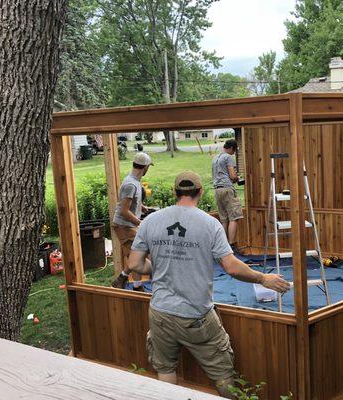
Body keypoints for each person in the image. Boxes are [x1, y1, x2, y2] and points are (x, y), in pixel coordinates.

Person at [127, 171, 290, 398]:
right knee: (223, 374)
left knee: (165, 369)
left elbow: (135, 264)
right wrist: (264, 278)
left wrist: (162, 266)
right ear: (201, 192)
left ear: (175, 193)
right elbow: (231, 267)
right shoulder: (209, 224)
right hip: (196, 315)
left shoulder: (151, 221)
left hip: (160, 312)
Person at [111, 152, 154, 291]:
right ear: (145, 167)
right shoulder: (130, 184)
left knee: (134, 255)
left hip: (128, 225)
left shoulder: (134, 180)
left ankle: (136, 286)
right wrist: (141, 223)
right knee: (138, 256)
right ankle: (122, 279)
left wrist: (142, 207)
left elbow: (129, 202)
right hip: (123, 226)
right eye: (148, 167)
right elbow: (124, 210)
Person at [212, 139, 243, 252]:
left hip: (217, 190)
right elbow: (232, 175)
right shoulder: (228, 157)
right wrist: (237, 178)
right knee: (234, 217)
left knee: (224, 219)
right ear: (231, 148)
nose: (233, 153)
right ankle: (232, 245)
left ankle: (224, 247)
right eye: (234, 151)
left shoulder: (215, 158)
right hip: (227, 188)